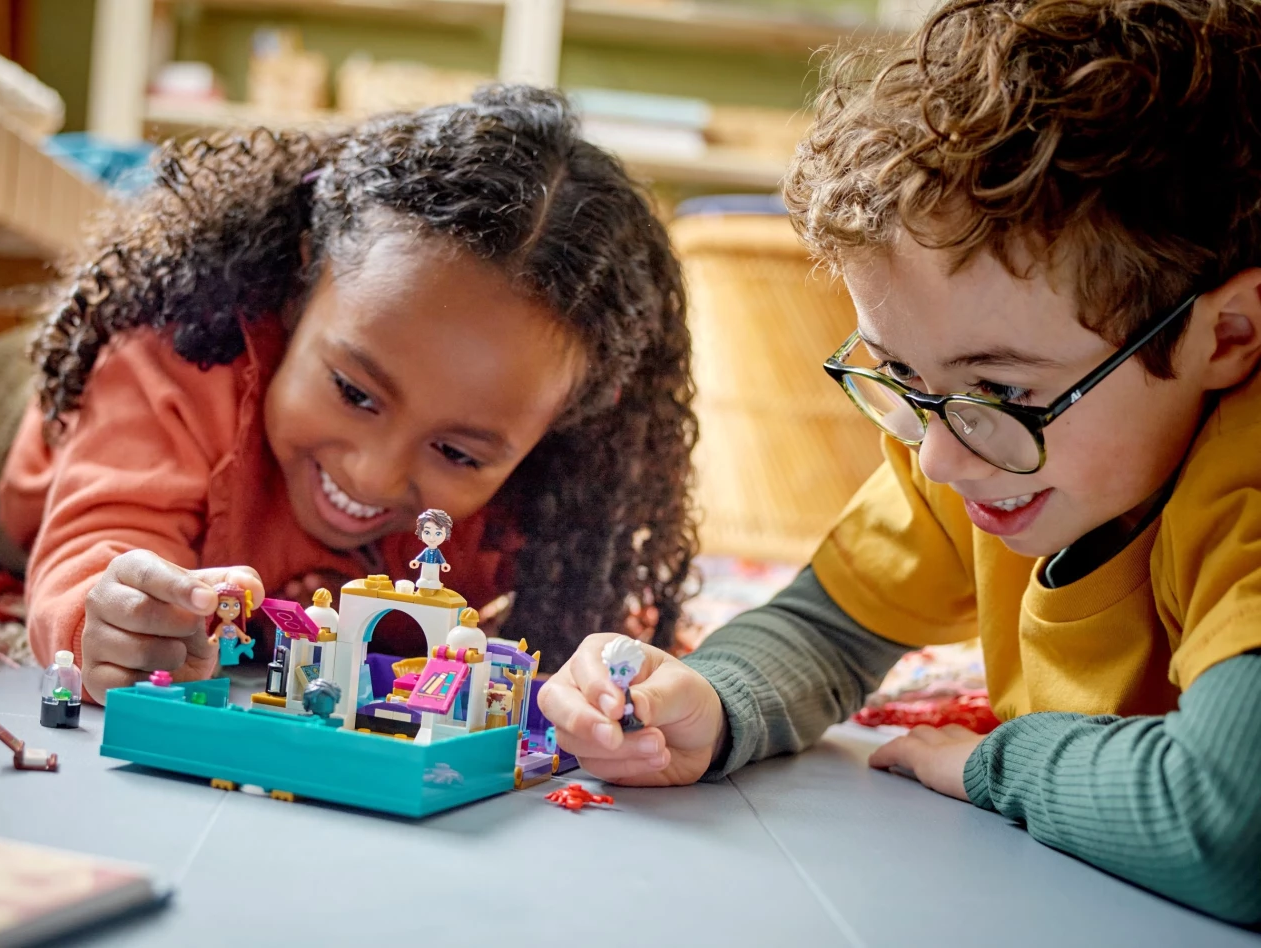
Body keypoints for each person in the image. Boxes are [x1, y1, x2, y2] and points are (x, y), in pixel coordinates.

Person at [539, 0, 1261, 923]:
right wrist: (709, 704)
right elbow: (825, 628)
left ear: (1229, 333)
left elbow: (1230, 822)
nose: (942, 461)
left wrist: (991, 761)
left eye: (1001, 391)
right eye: (905, 379)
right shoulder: (969, 440)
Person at [0, 85, 698, 702]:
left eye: (457, 451)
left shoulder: (535, 486)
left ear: (558, 428)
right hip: (3, 431)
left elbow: (591, 613)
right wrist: (102, 620)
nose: (370, 475)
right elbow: (103, 543)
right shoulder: (175, 357)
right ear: (301, 284)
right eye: (355, 392)